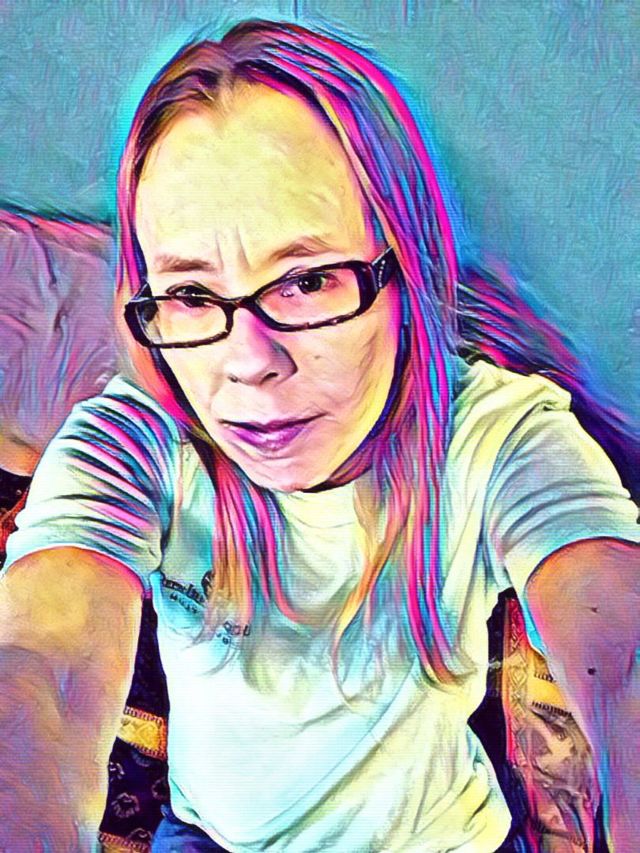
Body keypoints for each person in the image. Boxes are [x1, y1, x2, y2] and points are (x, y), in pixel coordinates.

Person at [1, 19, 639, 853]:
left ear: (405, 269)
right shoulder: (137, 440)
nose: (248, 363)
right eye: (190, 296)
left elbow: (621, 648)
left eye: (306, 281)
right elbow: (43, 664)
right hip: (209, 837)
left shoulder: (494, 435)